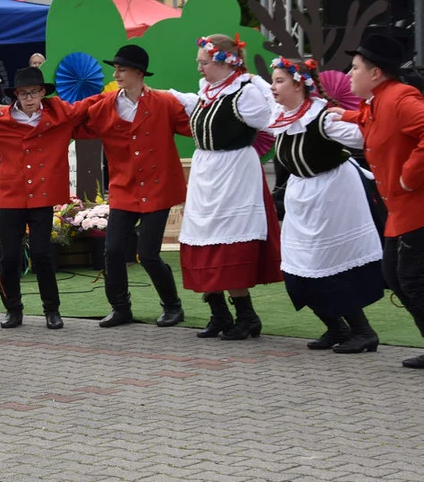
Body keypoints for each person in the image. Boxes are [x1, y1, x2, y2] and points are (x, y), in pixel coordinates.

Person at [0, 66, 100, 330]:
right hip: (12, 196)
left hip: (42, 196)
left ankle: (52, 309)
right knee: (9, 257)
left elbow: (87, 108)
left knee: (42, 254)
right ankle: (13, 309)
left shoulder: (59, 116)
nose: (29, 97)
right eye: (24, 93)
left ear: (42, 93)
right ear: (15, 94)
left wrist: (120, 94)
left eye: (34, 92)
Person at [267, 57, 384, 353]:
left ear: (299, 84)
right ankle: (336, 328)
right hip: (302, 195)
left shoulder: (324, 118)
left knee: (330, 266)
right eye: (273, 80)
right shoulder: (281, 115)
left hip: (334, 194)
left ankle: (363, 331)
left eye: (280, 80)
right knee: (297, 267)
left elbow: (369, 137)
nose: (273, 86)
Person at [169, 35, 282, 340]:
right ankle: (219, 313)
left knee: (230, 242)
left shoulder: (245, 93)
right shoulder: (209, 91)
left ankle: (247, 316)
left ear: (223, 62)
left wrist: (259, 84)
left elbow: (273, 119)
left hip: (234, 173)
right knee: (204, 239)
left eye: (204, 62)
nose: (199, 67)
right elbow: (201, 109)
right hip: (207, 172)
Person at [75, 45, 192, 329]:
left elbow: (195, 127)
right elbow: (74, 124)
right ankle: (120, 308)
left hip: (159, 188)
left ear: (139, 73)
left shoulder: (165, 102)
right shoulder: (103, 105)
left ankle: (173, 306)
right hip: (124, 189)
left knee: (149, 254)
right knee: (113, 250)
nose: (116, 74)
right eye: (115, 69)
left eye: (122, 69)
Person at [333, 35, 424, 367]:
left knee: (410, 279)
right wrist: (337, 114)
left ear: (376, 73)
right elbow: (369, 121)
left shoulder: (401, 98)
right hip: (401, 211)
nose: (349, 74)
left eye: (355, 68)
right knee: (397, 277)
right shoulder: (375, 103)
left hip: (417, 208)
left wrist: (409, 174)